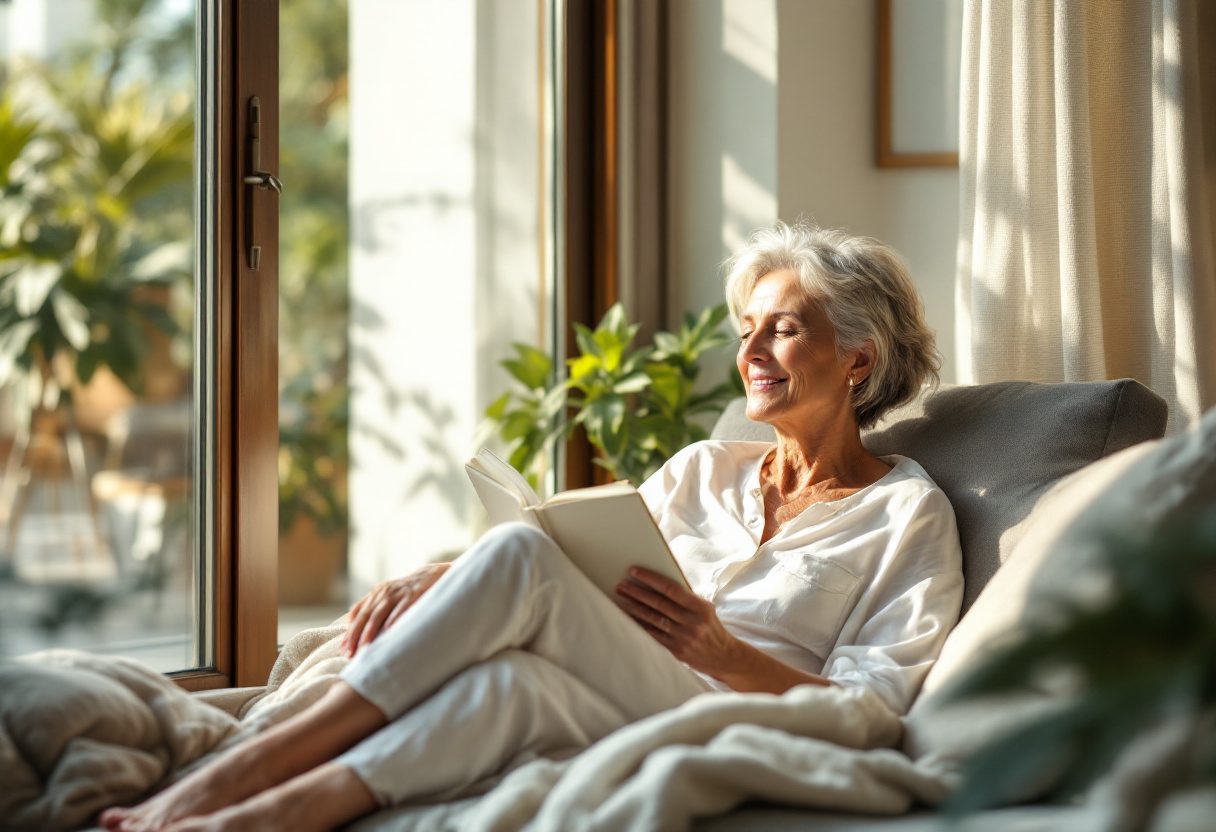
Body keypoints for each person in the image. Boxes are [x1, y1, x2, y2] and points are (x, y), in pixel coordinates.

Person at [101, 222, 963, 832]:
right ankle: (272, 817)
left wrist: (723, 652)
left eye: (783, 329)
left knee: (514, 553)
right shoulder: (706, 468)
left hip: (720, 712)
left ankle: (235, 778)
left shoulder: (906, 514)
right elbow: (573, 561)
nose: (752, 353)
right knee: (507, 687)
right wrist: (438, 578)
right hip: (607, 686)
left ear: (859, 357)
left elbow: (872, 715)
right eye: (746, 332)